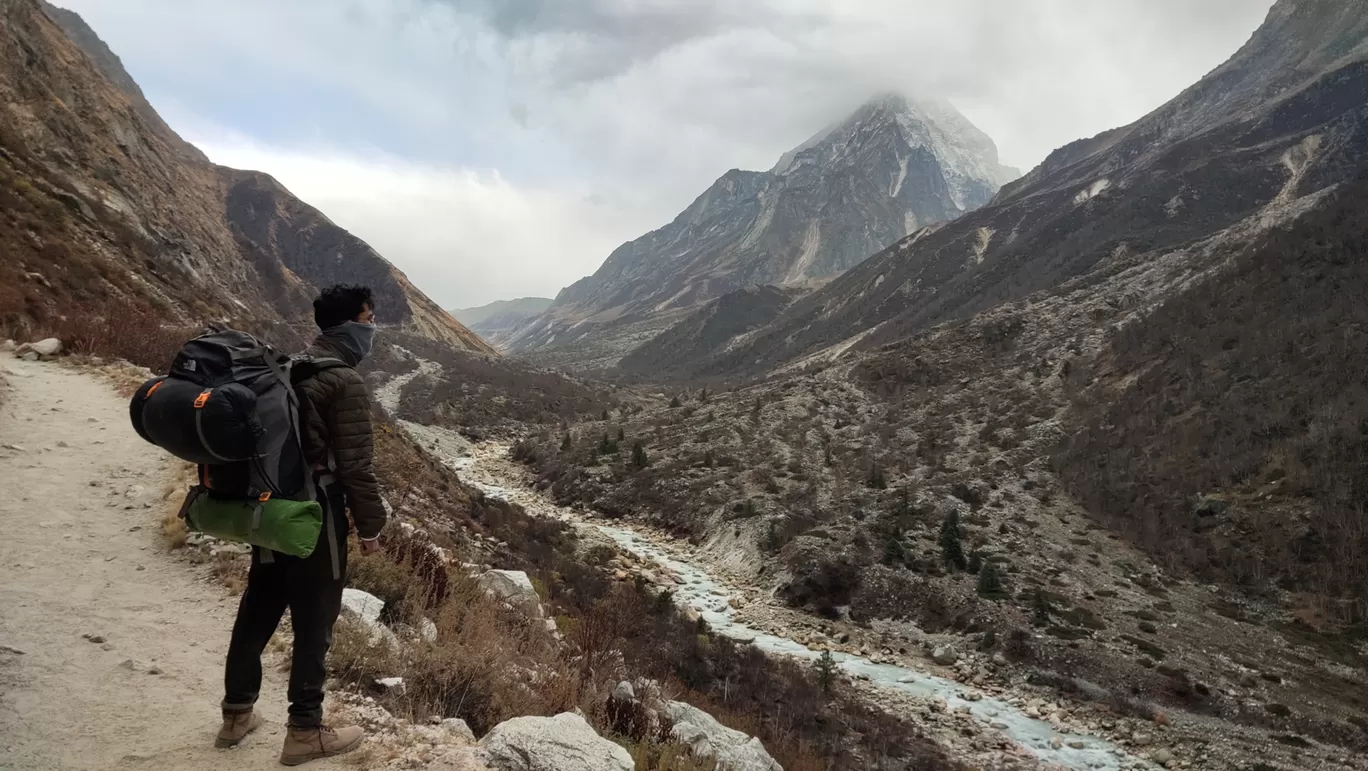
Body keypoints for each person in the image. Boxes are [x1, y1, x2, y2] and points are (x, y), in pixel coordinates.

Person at [216, 284, 388, 766]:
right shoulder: (344, 382)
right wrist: (371, 526)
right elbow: (356, 467)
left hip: (270, 511)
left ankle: (235, 715)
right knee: (315, 621)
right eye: (369, 319)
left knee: (259, 605)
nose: (373, 328)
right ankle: (305, 731)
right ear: (350, 326)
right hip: (316, 517)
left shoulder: (286, 369)